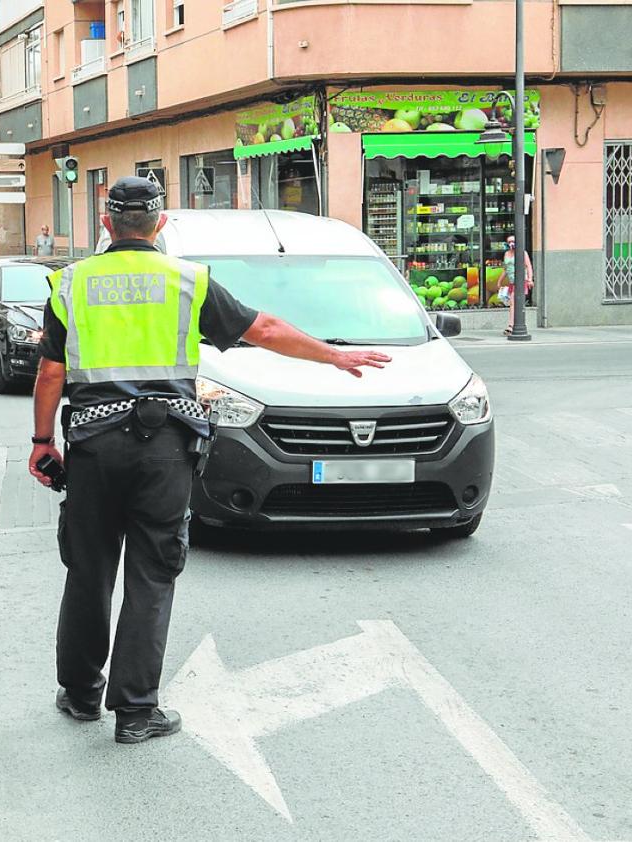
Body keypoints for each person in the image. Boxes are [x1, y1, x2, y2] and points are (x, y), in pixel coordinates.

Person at [29, 176, 392, 745]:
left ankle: (79, 695)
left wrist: (42, 440)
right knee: (152, 572)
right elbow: (264, 328)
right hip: (166, 447)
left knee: (89, 569)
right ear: (160, 224)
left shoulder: (71, 282)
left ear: (107, 224)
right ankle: (135, 713)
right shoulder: (187, 280)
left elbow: (51, 371)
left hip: (95, 446)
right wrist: (334, 356)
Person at [501, 235, 533, 335]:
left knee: (513, 302)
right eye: (509, 242)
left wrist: (530, 279)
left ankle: (511, 325)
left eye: (513, 241)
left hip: (521, 281)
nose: (511, 243)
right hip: (511, 281)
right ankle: (514, 324)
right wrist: (500, 281)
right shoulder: (506, 254)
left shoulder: (522, 253)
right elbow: (506, 269)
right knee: (513, 303)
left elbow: (528, 266)